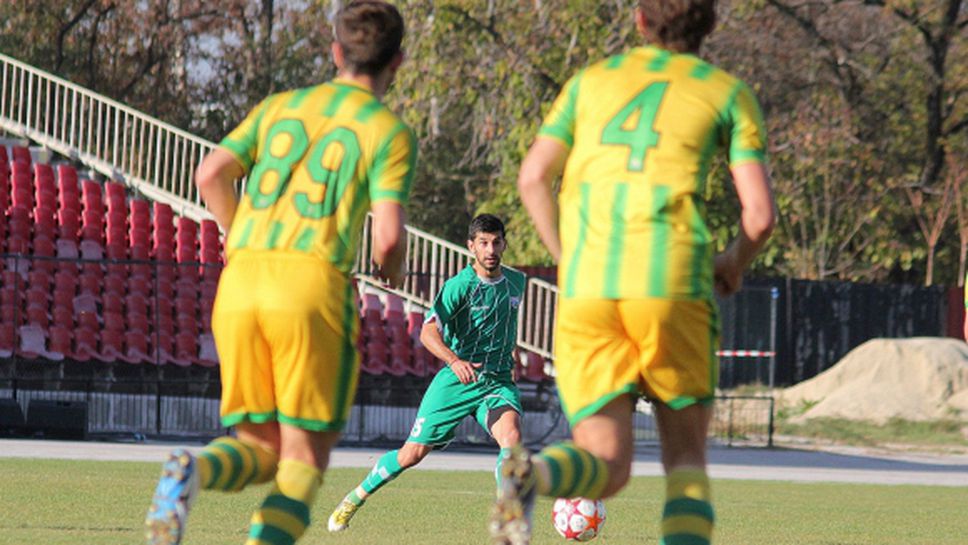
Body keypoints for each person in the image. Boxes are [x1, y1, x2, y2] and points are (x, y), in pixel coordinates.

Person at [492, 1, 776, 544]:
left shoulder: (589, 81)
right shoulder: (726, 92)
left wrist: (569, 257)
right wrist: (732, 264)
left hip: (588, 289)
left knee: (606, 464)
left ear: (640, 20)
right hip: (671, 283)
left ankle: (533, 472)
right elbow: (759, 217)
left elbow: (533, 179)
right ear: (710, 25)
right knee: (686, 464)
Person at [143, 2, 415, 544]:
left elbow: (211, 173)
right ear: (398, 61)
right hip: (312, 288)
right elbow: (387, 238)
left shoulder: (280, 106)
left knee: (260, 450)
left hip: (241, 281)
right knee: (302, 464)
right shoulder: (386, 130)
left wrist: (236, 234)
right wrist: (392, 275)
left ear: (336, 52)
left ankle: (191, 472)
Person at [328, 213, 527, 532]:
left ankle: (506, 514)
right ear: (471, 247)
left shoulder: (517, 282)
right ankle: (355, 496)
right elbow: (427, 332)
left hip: (496, 382)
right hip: (457, 380)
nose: (490, 249)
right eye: (483, 243)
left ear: (504, 243)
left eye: (496, 242)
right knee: (412, 454)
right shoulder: (459, 287)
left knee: (512, 438)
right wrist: (454, 360)